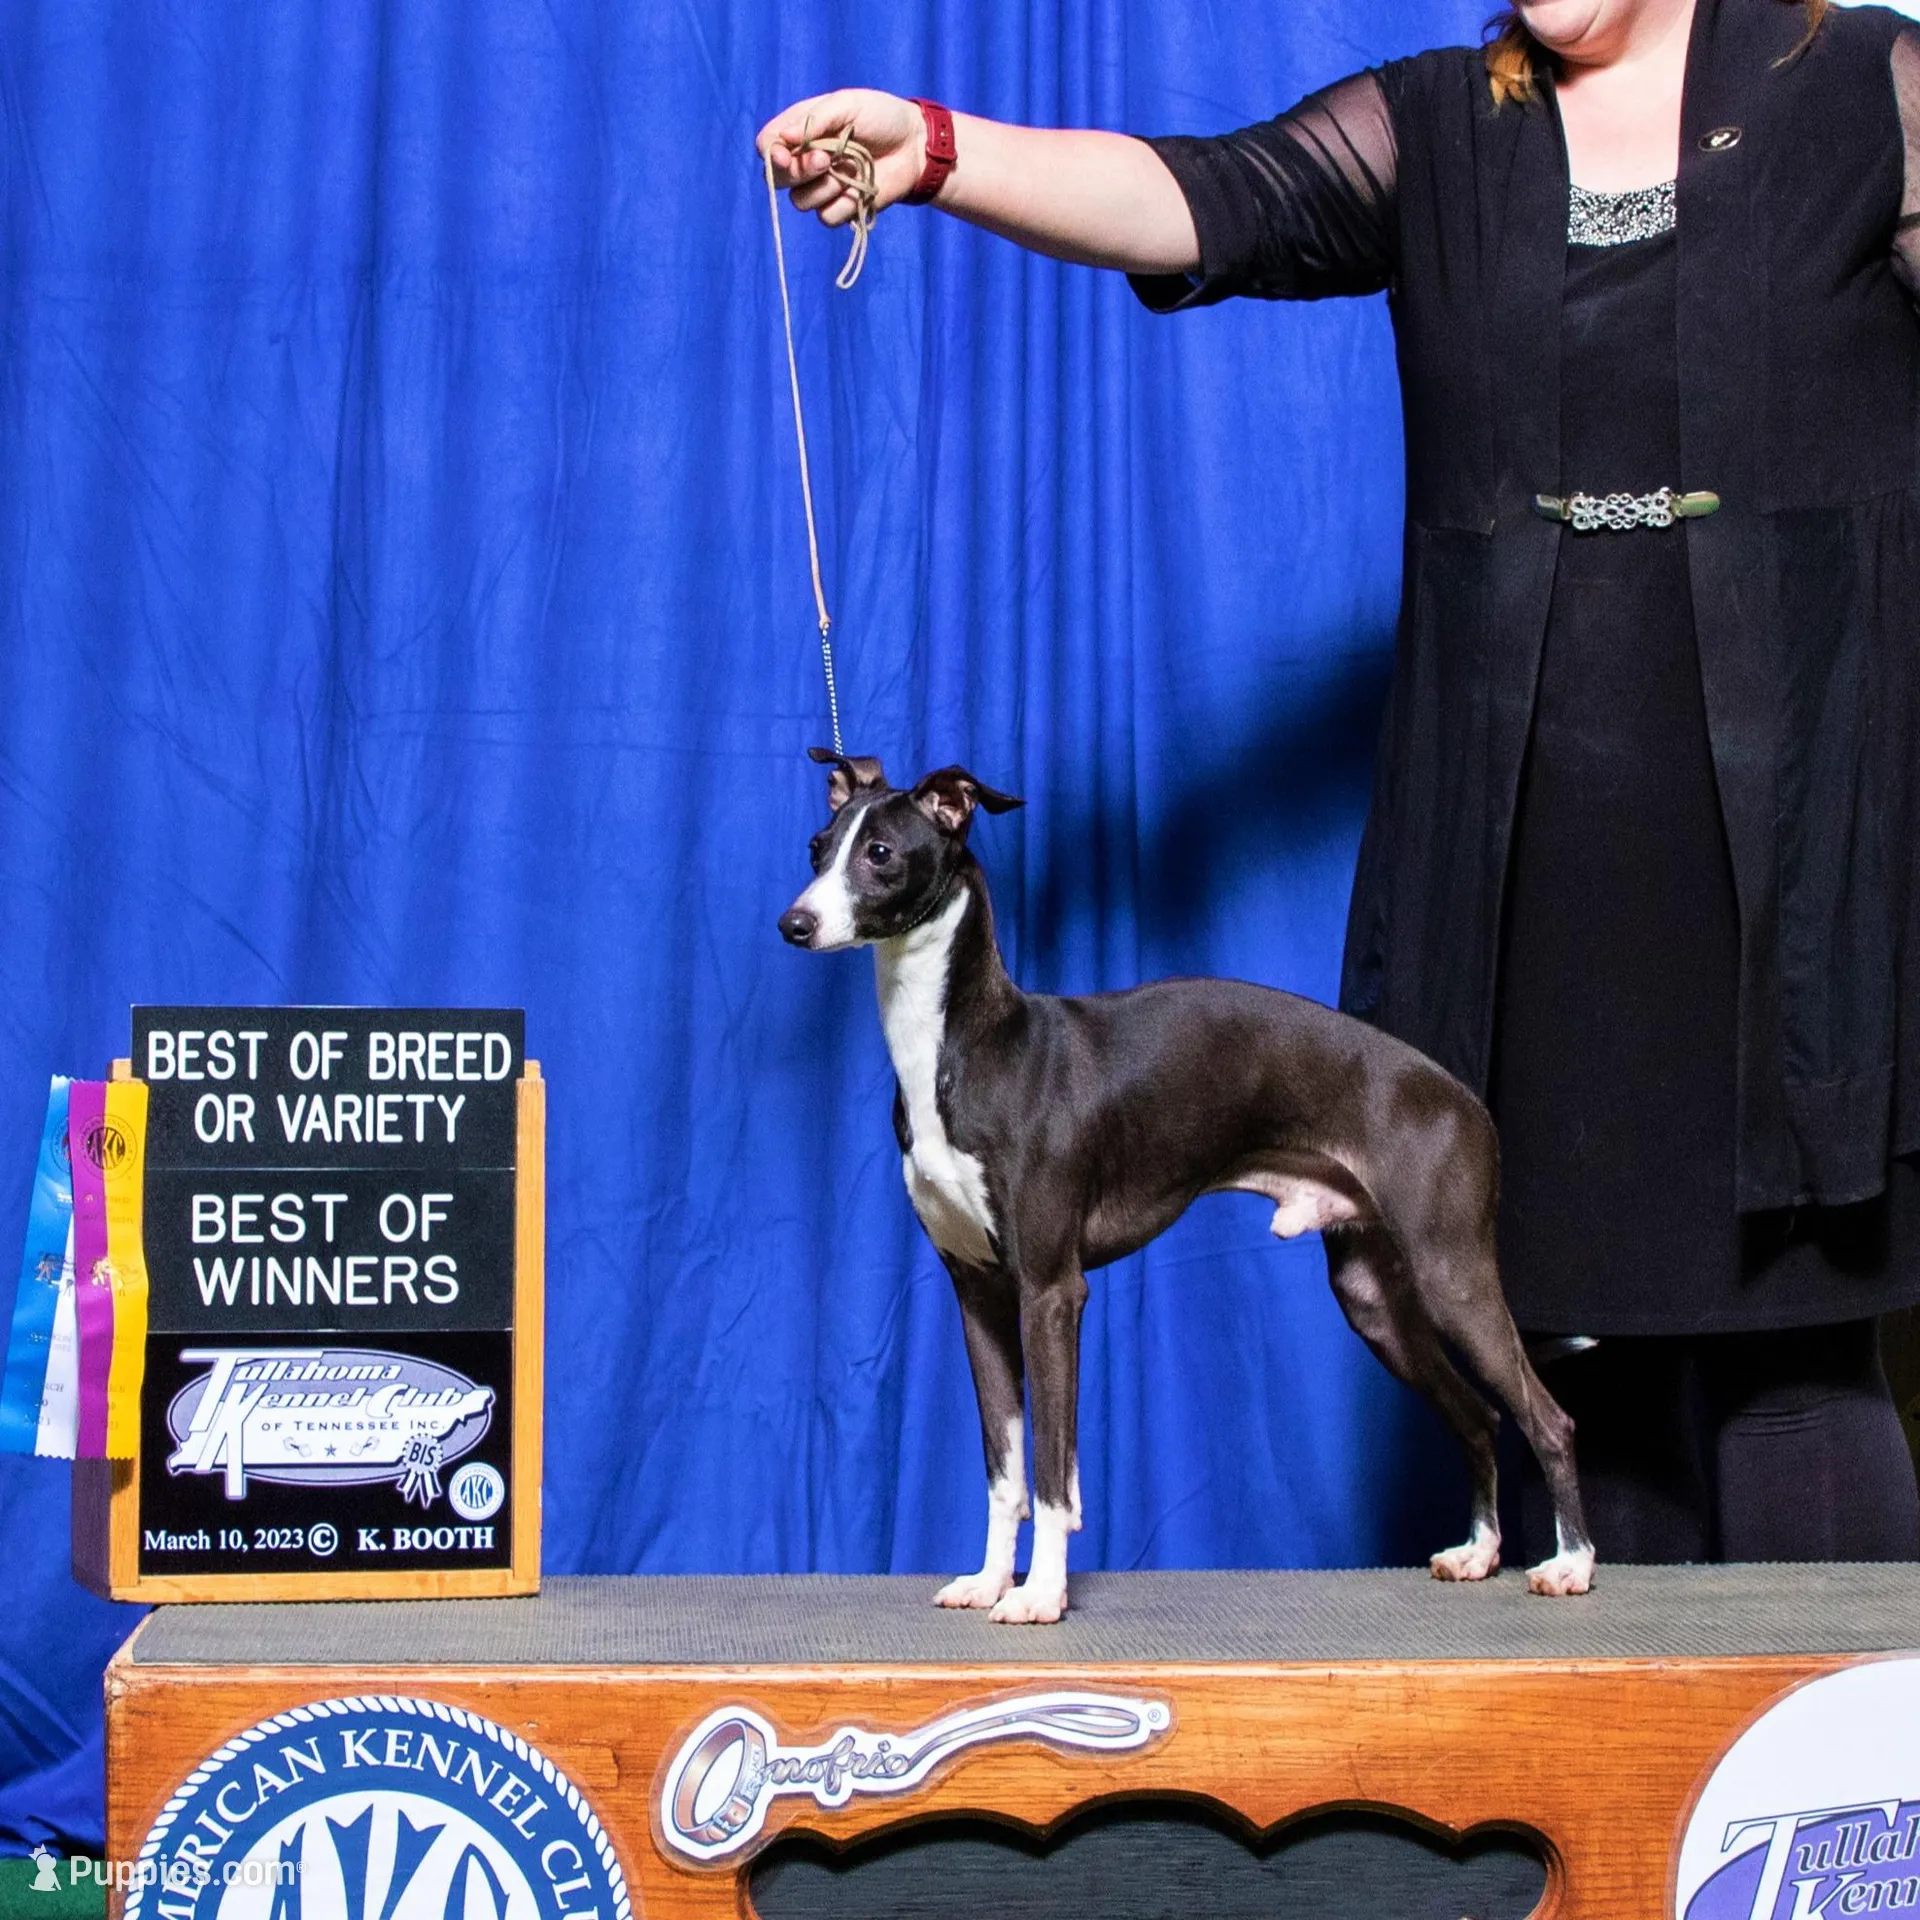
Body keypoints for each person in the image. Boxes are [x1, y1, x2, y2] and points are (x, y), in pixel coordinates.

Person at [759, 0, 1920, 1565]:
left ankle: (1856, 1738)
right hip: (1524, 841)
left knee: (1794, 1361)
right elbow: (1201, 196)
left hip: (1793, 836)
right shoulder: (1446, 121)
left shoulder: (1862, 85)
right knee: (1574, 1344)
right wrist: (939, 150)